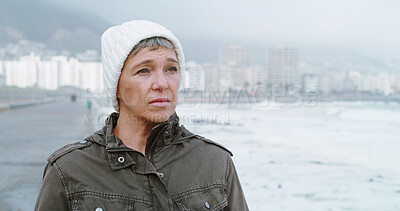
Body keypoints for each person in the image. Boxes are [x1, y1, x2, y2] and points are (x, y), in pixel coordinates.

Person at [35, 20, 248, 210]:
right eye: (144, 71)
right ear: (116, 87)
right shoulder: (69, 170)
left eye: (171, 69)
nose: (162, 84)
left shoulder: (215, 162)